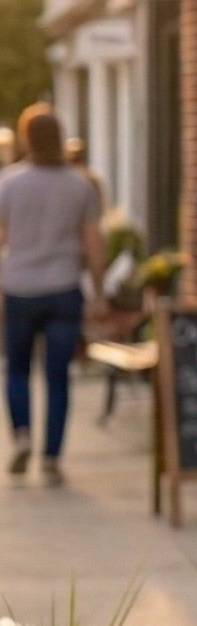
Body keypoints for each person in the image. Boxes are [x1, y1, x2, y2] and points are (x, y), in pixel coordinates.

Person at [0, 104, 105, 484]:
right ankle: (51, 457)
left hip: (19, 287)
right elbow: (93, 242)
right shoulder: (80, 185)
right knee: (58, 375)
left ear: (27, 138)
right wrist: (100, 290)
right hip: (63, 288)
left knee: (16, 368)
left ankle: (22, 434)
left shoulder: (8, 184)